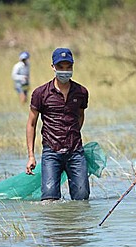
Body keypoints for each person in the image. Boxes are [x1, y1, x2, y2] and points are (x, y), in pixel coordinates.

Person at [26, 47, 90, 201]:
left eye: (69, 67)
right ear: (53, 67)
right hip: (51, 152)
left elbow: (80, 116)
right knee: (49, 198)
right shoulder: (41, 93)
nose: (65, 71)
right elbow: (31, 124)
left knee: (82, 197)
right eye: (61, 67)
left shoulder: (81, 92)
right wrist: (31, 156)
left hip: (75, 152)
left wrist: (70, 135)